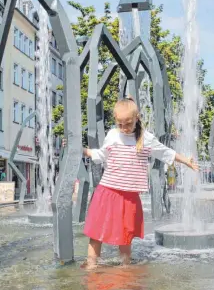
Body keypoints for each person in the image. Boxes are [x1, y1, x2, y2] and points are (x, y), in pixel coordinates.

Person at [81, 97, 199, 269]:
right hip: (107, 192)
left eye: (128, 123)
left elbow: (166, 152)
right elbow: (100, 155)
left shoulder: (146, 139)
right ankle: (91, 266)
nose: (124, 128)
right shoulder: (113, 135)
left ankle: (125, 268)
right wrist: (83, 150)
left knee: (125, 235)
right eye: (120, 124)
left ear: (137, 118)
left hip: (129, 196)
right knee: (97, 232)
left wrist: (186, 161)